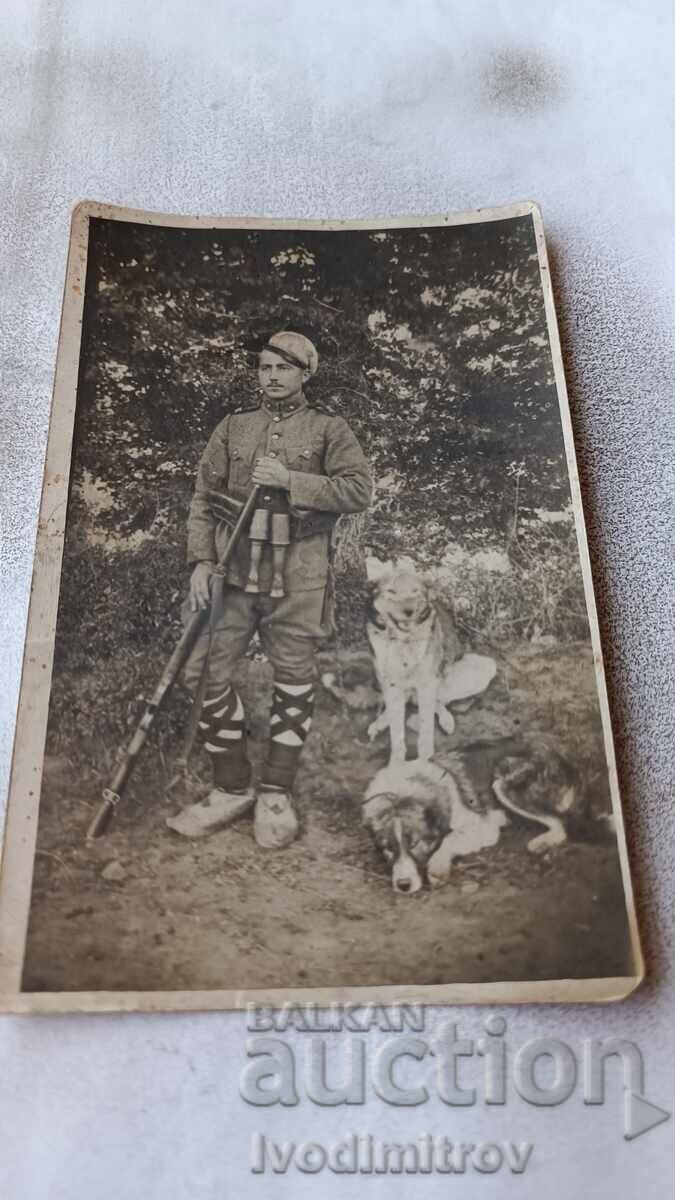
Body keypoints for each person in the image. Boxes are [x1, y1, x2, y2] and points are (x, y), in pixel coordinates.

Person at [166, 331, 372, 848]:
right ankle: (232, 786)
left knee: (294, 679)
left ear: (305, 374)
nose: (272, 377)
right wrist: (199, 561)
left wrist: (290, 480)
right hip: (231, 572)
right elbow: (202, 497)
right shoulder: (233, 428)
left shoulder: (329, 428)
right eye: (264, 368)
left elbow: (359, 490)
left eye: (284, 368)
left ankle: (275, 792)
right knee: (200, 670)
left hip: (300, 573)